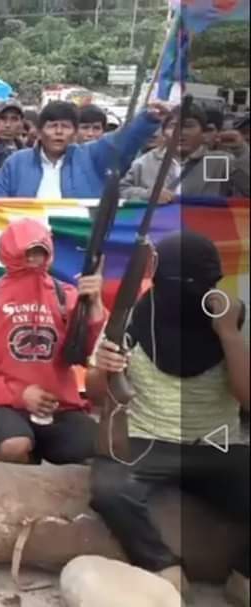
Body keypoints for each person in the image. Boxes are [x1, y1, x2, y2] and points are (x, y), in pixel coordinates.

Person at [89, 232, 249, 603]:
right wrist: (103, 369)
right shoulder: (131, 317)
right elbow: (96, 393)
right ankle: (164, 567)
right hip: (148, 441)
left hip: (218, 445)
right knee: (109, 489)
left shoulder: (233, 316)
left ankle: (243, 575)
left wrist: (228, 335)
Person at [0, 218, 104, 465]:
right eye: (26, 252)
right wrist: (20, 394)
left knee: (103, 448)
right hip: (6, 406)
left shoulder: (68, 297)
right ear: (8, 253)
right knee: (13, 448)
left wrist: (95, 306)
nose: (33, 259)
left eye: (39, 253)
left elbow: (92, 355)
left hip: (60, 408)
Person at [0, 101, 166, 199]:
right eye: (52, 126)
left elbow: (122, 141)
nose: (59, 132)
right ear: (39, 131)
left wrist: (148, 118)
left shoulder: (92, 156)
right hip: (29, 248)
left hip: (80, 245)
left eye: (65, 126)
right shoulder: (16, 162)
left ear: (75, 133)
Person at [120, 103, 251, 201]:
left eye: (189, 126)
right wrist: (147, 194)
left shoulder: (219, 162)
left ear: (203, 132)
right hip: (157, 228)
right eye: (173, 126)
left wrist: (242, 151)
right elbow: (121, 191)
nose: (180, 133)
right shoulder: (145, 162)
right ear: (163, 132)